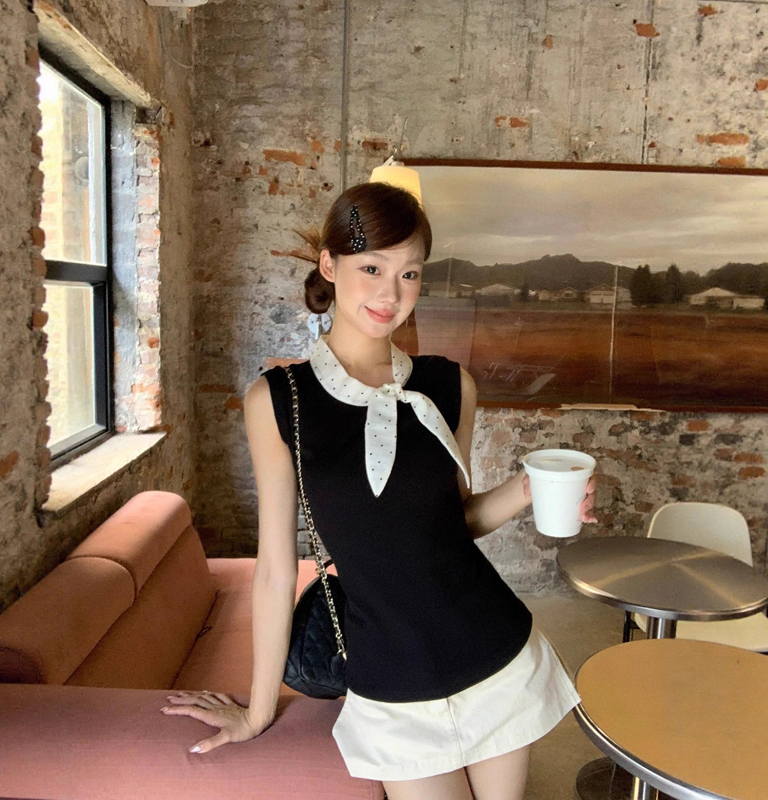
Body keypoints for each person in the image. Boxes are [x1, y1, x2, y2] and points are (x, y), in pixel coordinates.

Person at [161, 182, 597, 800]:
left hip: (493, 650)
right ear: (329, 265)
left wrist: (528, 489)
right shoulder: (279, 401)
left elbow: (456, 520)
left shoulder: (450, 386)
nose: (391, 294)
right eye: (372, 268)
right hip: (389, 678)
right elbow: (275, 570)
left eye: (409, 273)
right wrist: (257, 711)